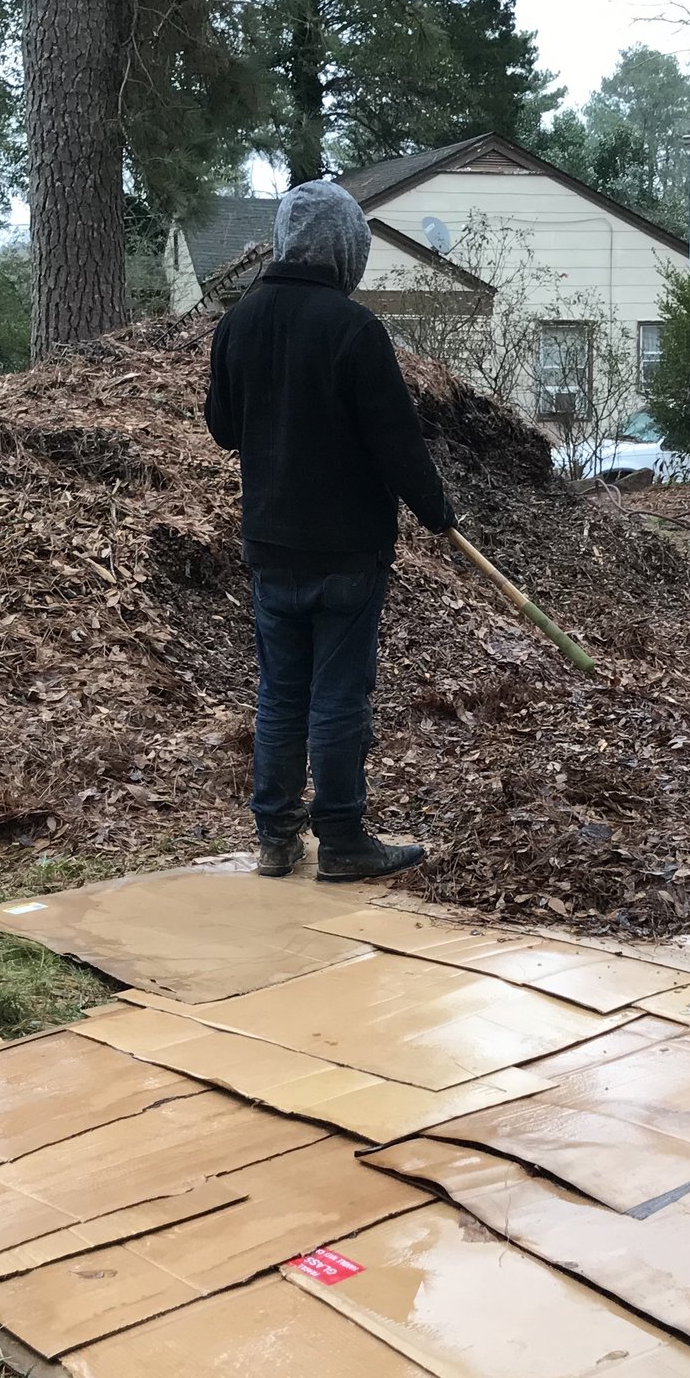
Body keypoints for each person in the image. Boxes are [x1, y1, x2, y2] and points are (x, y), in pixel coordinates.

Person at [205, 180, 456, 880]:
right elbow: (396, 444)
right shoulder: (354, 330)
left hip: (270, 547)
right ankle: (344, 839)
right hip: (347, 551)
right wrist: (436, 510)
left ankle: (276, 837)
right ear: (346, 249)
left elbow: (224, 427)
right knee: (339, 694)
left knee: (282, 691)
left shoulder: (239, 323)